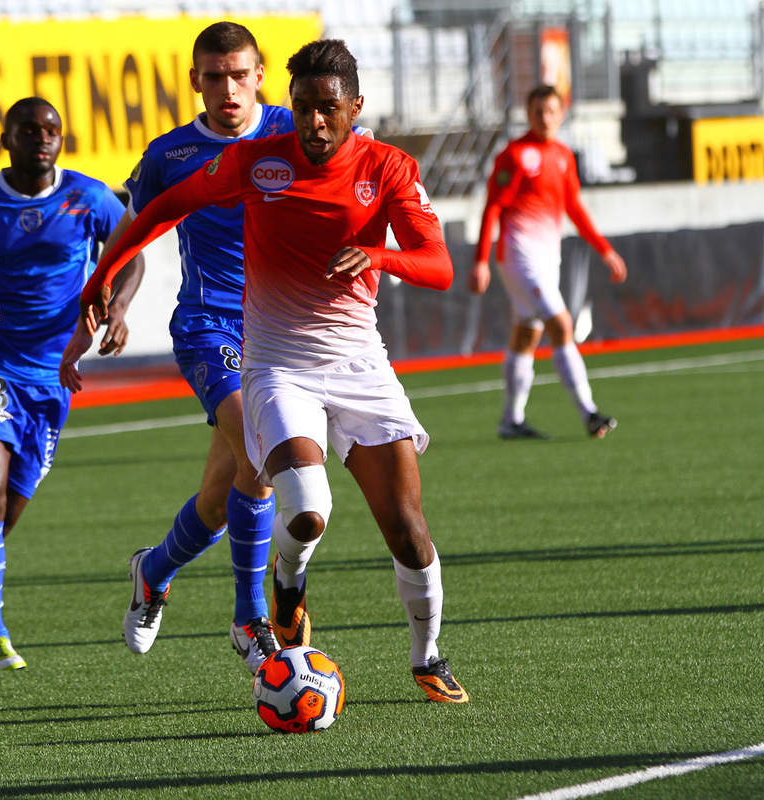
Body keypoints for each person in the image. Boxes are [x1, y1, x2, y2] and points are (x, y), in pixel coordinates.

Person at [64, 40, 469, 703]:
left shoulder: (387, 166)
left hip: (359, 363)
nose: (313, 122)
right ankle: (270, 603)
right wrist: (103, 279)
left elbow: (439, 264)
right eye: (303, 107)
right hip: (264, 357)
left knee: (406, 526)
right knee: (303, 505)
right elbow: (158, 211)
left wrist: (377, 255)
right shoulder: (250, 162)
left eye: (327, 109)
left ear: (353, 109)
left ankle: (426, 656)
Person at [88, 22, 291, 674]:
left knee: (222, 494)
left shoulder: (297, 129)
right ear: (195, 81)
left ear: (260, 74)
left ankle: (154, 570)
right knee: (259, 457)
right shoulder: (171, 155)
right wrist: (113, 301)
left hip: (286, 332)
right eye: (214, 77)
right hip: (211, 328)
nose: (228, 88)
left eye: (239, 75)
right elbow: (131, 236)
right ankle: (248, 618)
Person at [0, 97, 144, 672]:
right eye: (30, 129)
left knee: (0, 519)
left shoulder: (90, 197)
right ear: (6, 139)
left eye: (52, 129)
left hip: (54, 374)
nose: (43, 138)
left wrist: (116, 308)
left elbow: (132, 257)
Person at [469, 84, 628, 440]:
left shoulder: (562, 155)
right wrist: (481, 260)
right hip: (519, 255)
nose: (545, 118)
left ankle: (511, 420)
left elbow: (574, 207)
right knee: (561, 323)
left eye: (551, 111)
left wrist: (605, 250)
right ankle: (589, 413)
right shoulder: (515, 154)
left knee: (527, 333)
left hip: (546, 257)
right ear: (528, 114)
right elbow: (493, 206)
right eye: (538, 112)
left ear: (561, 113)